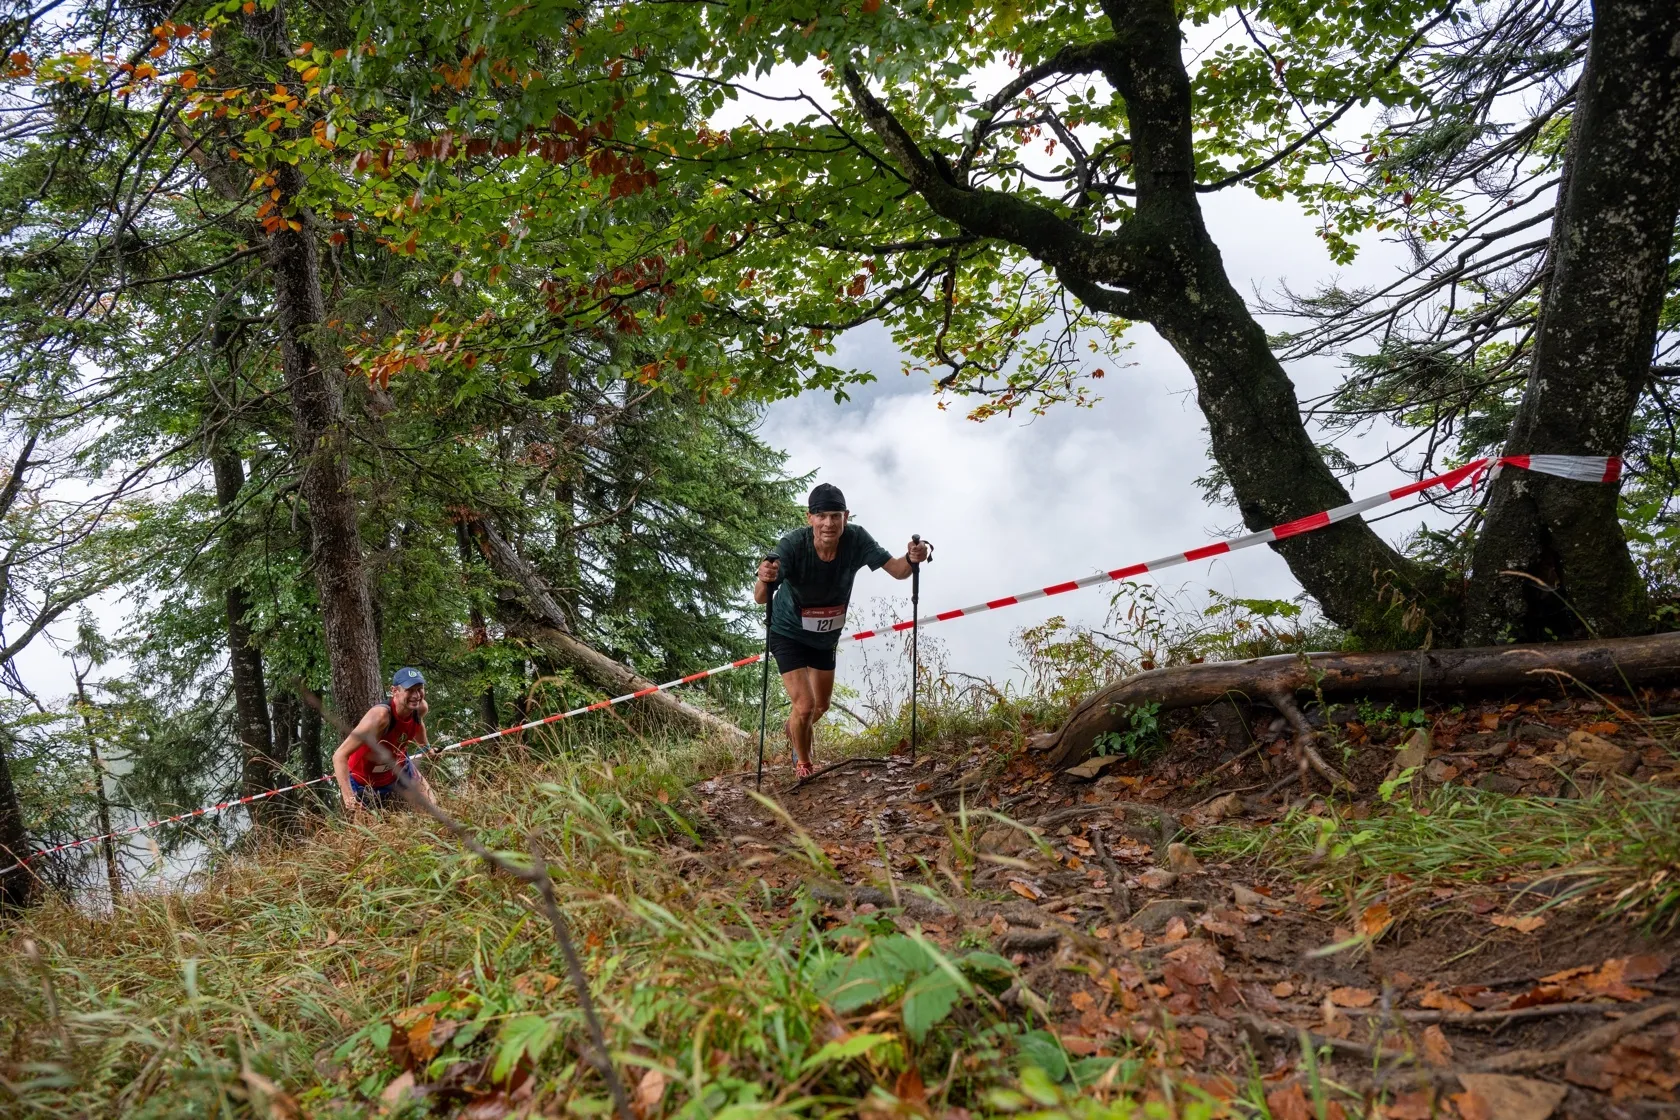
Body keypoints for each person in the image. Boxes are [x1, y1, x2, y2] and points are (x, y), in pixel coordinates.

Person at [755, 483, 931, 778]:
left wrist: (914, 555)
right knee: (806, 705)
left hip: (825, 638)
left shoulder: (856, 539)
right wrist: (764, 577)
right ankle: (803, 763)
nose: (829, 523)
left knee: (821, 706)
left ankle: (793, 729)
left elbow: (899, 570)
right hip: (788, 632)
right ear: (809, 518)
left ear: (845, 517)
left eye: (835, 516)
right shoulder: (793, 545)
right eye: (821, 516)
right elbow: (762, 597)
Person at [332, 667, 439, 811]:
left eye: (420, 689)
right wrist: (348, 797)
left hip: (399, 767)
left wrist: (425, 748)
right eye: (410, 690)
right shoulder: (380, 717)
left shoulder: (420, 708)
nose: (416, 695)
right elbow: (339, 756)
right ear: (394, 691)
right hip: (364, 780)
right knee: (367, 825)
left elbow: (418, 724)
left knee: (432, 807)